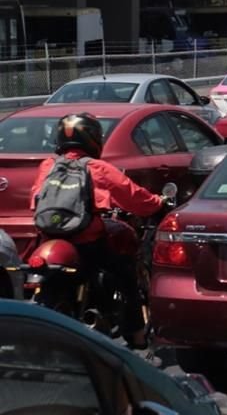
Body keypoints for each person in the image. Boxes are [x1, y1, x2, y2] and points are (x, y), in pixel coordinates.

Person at [29, 113, 164, 348]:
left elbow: (35, 200)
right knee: (126, 274)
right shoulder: (97, 167)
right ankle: (137, 334)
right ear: (92, 138)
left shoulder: (48, 166)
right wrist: (158, 203)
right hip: (86, 240)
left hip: (47, 238)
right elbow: (133, 197)